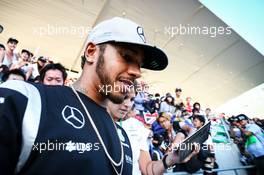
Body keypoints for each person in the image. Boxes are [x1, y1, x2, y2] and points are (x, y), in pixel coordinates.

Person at [0, 17, 170, 175]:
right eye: (126, 56)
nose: (137, 72)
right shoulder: (24, 99)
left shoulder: (122, 136)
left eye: (139, 64)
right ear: (91, 52)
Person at [107, 85, 199, 175]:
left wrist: (173, 158)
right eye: (123, 97)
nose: (128, 105)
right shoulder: (162, 132)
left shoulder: (135, 125)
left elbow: (148, 170)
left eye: (132, 99)